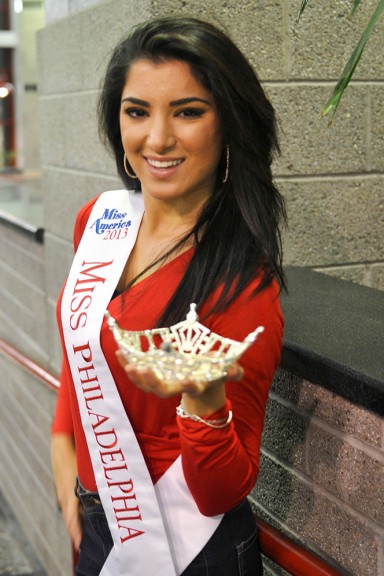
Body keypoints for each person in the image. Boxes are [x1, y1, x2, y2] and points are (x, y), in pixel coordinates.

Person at [51, 15, 286, 576]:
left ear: (228, 126)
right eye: (137, 112)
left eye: (188, 112)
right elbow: (81, 352)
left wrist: (204, 399)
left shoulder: (241, 283)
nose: (157, 139)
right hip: (96, 520)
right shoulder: (101, 220)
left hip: (189, 548)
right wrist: (65, 463)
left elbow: (218, 493)